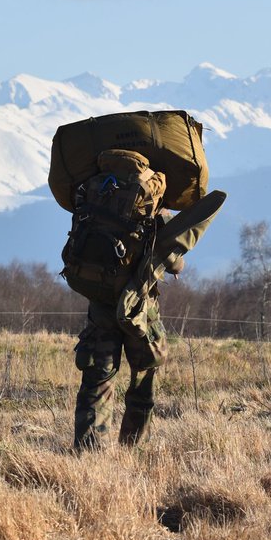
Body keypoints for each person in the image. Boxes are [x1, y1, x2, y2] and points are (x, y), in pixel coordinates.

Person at [62, 149, 180, 450]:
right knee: (142, 378)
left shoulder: (94, 190)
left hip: (100, 301)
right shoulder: (151, 200)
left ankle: (89, 452)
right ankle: (132, 449)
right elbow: (175, 262)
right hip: (139, 308)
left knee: (97, 381)